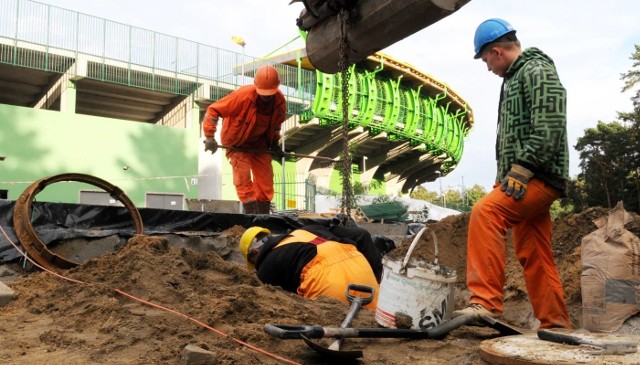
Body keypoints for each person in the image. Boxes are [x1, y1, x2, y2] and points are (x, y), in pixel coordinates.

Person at [452, 18, 572, 329]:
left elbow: (551, 120)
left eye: (485, 60)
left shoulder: (535, 70)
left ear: (495, 52)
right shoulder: (516, 77)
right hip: (527, 178)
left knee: (486, 213)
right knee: (533, 251)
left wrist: (523, 167)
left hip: (536, 177)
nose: (487, 67)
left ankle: (486, 303)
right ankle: (556, 323)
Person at [201, 65, 287, 214]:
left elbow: (276, 126)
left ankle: (264, 217)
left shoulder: (279, 102)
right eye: (263, 94)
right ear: (256, 86)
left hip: (260, 145)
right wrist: (210, 137)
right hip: (237, 144)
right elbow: (213, 110)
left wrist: (274, 144)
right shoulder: (243, 96)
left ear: (276, 88)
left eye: (269, 94)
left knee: (266, 182)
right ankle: (252, 217)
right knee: (243, 179)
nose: (266, 97)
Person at [239, 224, 384, 309]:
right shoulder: (307, 230)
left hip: (327, 282)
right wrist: (376, 276)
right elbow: (361, 234)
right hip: (360, 267)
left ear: (255, 252)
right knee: (370, 310)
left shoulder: (266, 267)